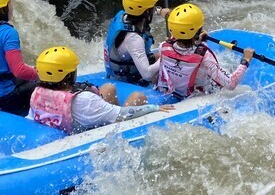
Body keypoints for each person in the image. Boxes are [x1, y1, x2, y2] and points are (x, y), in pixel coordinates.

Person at [28, 46, 174, 133]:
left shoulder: (37, 93)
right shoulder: (84, 100)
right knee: (138, 97)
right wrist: (154, 108)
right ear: (68, 75)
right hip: (90, 132)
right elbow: (124, 114)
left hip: (72, 124)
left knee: (108, 88)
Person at [156, 3, 255, 99]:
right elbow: (231, 84)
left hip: (172, 90)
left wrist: (197, 41)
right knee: (241, 84)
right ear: (198, 31)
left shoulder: (163, 46)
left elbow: (182, 48)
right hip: (194, 95)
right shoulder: (204, 57)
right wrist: (245, 60)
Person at [104, 0, 170, 85]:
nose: (153, 10)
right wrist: (167, 55)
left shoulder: (123, 15)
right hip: (126, 80)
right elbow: (147, 75)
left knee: (159, 55)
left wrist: (160, 11)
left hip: (119, 69)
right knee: (168, 60)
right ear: (147, 12)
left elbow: (142, 9)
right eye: (153, 8)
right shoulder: (134, 39)